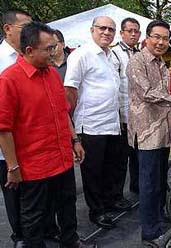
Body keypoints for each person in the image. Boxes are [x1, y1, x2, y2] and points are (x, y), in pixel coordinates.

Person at [0, 21, 95, 248]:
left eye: (55, 47)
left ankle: (71, 242)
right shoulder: (9, 80)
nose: (55, 52)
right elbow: (3, 128)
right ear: (30, 50)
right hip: (34, 166)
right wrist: (13, 167)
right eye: (49, 49)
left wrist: (75, 140)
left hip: (61, 159)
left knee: (67, 204)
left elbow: (63, 112)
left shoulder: (51, 73)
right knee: (34, 217)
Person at [127, 20, 171, 247]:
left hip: (163, 131)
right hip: (147, 132)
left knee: (160, 181)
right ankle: (150, 232)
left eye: (165, 38)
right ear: (146, 38)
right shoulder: (137, 62)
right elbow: (148, 93)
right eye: (156, 37)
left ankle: (160, 218)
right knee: (148, 184)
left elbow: (165, 98)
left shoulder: (161, 64)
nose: (160, 42)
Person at [64, 16, 122, 229]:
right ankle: (96, 211)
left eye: (111, 29)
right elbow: (70, 89)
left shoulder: (111, 56)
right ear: (92, 30)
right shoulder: (81, 55)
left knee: (110, 168)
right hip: (90, 125)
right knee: (93, 172)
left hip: (111, 123)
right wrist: (71, 126)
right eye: (102, 28)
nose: (107, 32)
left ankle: (107, 205)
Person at [0, 9, 32, 248]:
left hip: (32, 138)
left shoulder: (31, 55)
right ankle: (19, 236)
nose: (29, 34)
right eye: (24, 28)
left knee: (35, 192)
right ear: (8, 28)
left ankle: (39, 232)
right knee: (13, 190)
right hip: (6, 141)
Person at [111, 17, 141, 210]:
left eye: (136, 31)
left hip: (139, 116)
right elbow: (114, 85)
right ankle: (116, 196)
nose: (132, 34)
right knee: (120, 160)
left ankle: (137, 188)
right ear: (121, 33)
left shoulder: (140, 53)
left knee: (138, 156)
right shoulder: (114, 53)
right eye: (129, 30)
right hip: (122, 114)